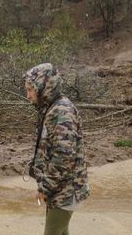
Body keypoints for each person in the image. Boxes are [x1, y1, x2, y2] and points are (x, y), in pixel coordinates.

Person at [23, 63, 90, 235]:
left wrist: (45, 188)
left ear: (44, 87)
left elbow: (63, 157)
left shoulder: (61, 111)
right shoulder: (51, 108)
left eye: (30, 89)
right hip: (60, 189)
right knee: (61, 231)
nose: (28, 95)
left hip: (66, 190)